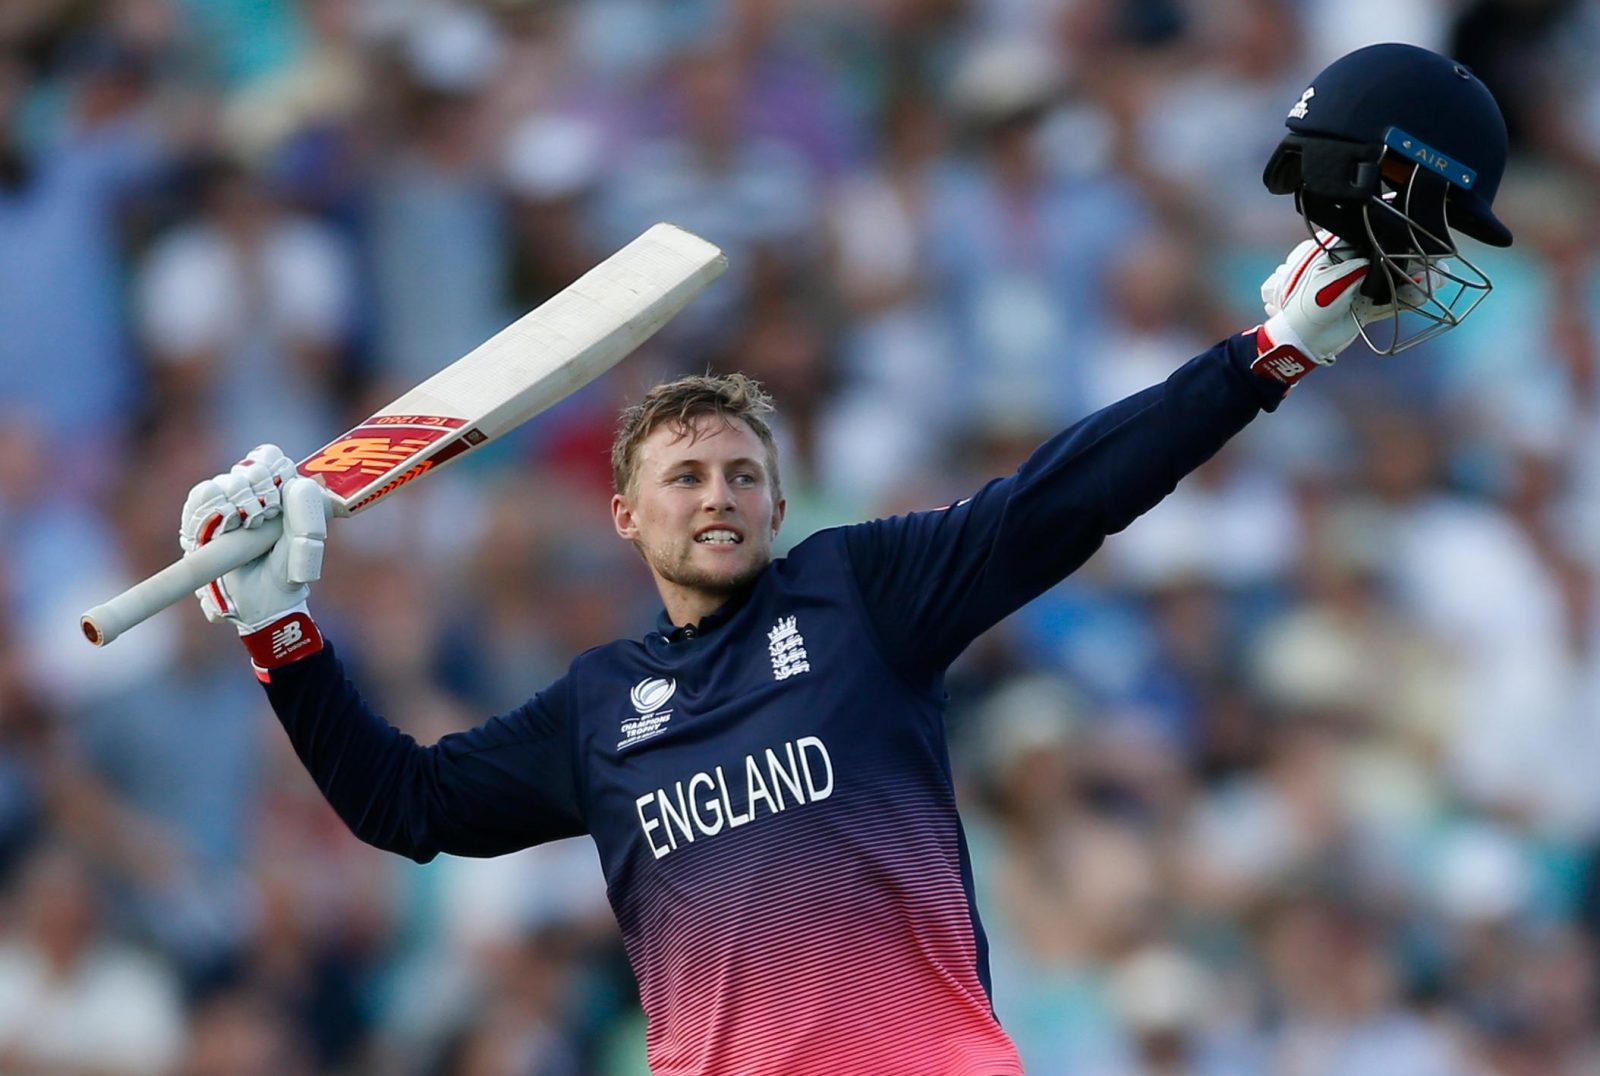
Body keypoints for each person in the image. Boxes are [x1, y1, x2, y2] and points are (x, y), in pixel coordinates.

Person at [172, 44, 1511, 1076]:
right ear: (624, 516)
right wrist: (280, 630)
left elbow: (1062, 502)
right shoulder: (596, 711)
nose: (719, 496)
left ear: (779, 499)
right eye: (685, 477)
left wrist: (1261, 360)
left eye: (743, 474)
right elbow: (404, 806)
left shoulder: (860, 594)